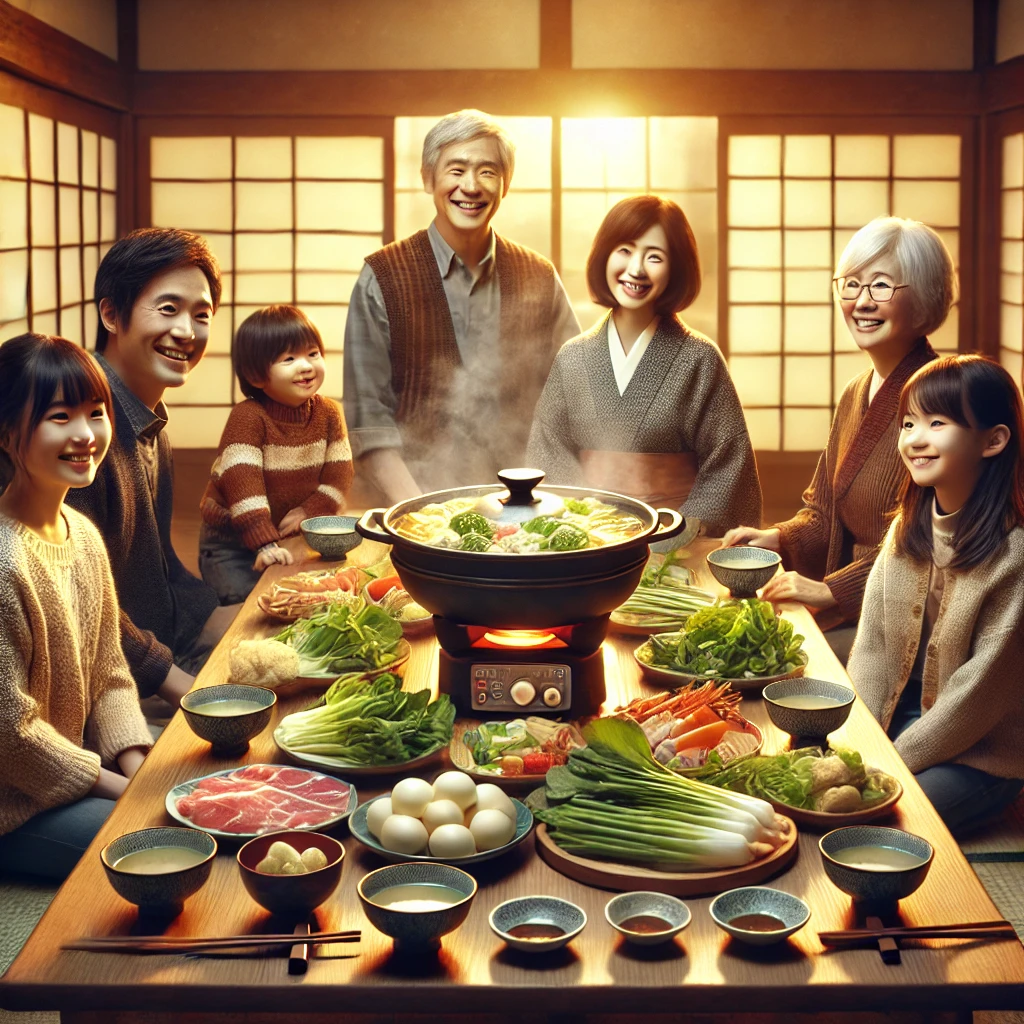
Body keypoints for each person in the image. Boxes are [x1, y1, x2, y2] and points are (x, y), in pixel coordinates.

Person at [720, 217, 955, 659]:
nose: (862, 302)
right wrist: (778, 539)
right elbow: (823, 512)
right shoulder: (856, 392)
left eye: (881, 286)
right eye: (851, 285)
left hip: (911, 621)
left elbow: (935, 542)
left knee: (779, 659)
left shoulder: (942, 399)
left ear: (923, 299)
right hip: (858, 606)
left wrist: (832, 590)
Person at [343, 109, 580, 503]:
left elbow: (574, 396)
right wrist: (421, 514)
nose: (470, 186)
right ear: (428, 178)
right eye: (456, 170)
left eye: (487, 171)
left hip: (523, 503)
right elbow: (369, 423)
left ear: (505, 185)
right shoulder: (383, 276)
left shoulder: (538, 275)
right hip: (410, 505)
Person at [848, 355, 1024, 835]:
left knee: (884, 822)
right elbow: (873, 646)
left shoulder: (1015, 554)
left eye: (937, 423)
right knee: (810, 786)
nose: (914, 439)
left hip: (981, 752)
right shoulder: (907, 527)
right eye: (909, 423)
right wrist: (856, 743)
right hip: (900, 721)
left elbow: (977, 697)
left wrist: (884, 766)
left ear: (993, 440)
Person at [0, 334, 153, 881]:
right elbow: (11, 734)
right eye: (60, 417)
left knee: (191, 797)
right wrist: (127, 792)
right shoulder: (5, 562)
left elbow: (111, 674)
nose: (86, 435)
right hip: (13, 809)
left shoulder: (82, 535)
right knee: (161, 847)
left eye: (96, 412)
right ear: (7, 431)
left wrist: (140, 766)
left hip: (69, 773)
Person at [66, 227, 236, 709]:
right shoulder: (81, 434)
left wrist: (233, 615)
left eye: (201, 315)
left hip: (164, 645)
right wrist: (179, 683)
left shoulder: (151, 422)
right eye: (167, 309)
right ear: (111, 314)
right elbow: (81, 602)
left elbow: (162, 568)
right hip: (110, 686)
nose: (186, 331)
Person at [526, 194, 761, 537]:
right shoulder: (573, 357)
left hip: (675, 541)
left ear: (675, 268)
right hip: (590, 541)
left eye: (654, 257)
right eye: (624, 249)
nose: (635, 269)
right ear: (604, 254)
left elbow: (728, 464)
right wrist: (583, 525)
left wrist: (679, 534)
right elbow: (548, 450)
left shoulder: (699, 358)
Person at [198, 305, 354, 604]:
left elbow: (340, 475)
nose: (306, 366)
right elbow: (245, 489)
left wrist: (310, 510)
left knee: (293, 602)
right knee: (247, 608)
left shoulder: (330, 413)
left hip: (288, 533)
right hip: (231, 543)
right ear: (256, 376)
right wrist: (264, 543)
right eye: (289, 359)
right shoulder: (248, 418)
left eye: (313, 354)